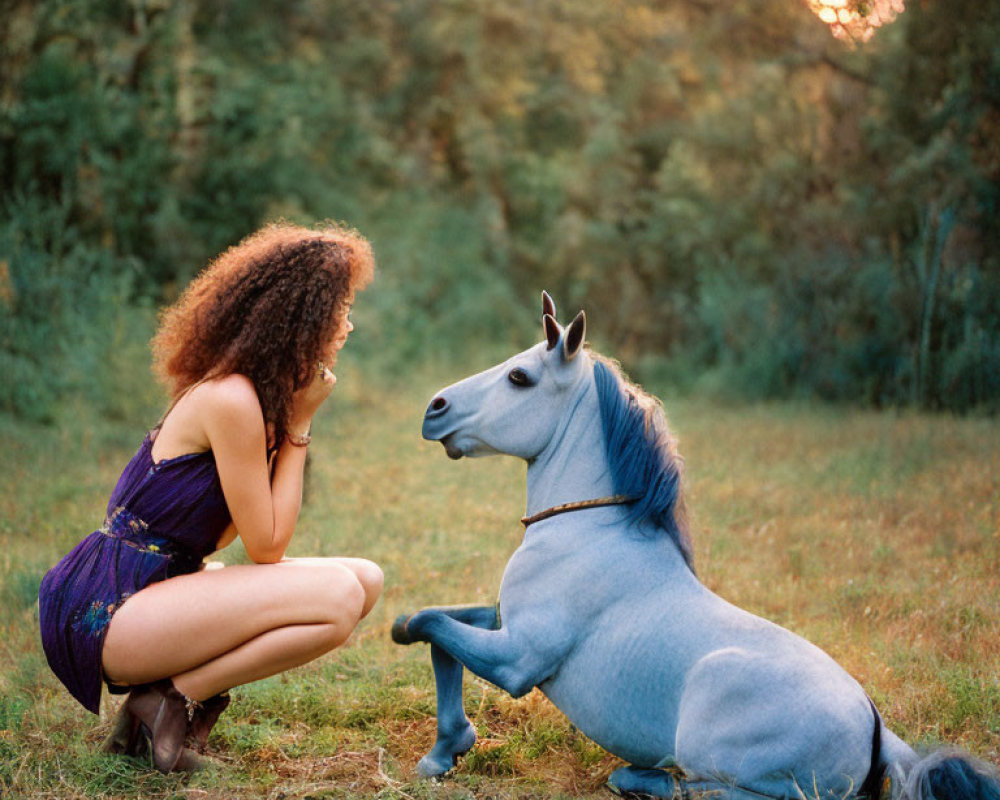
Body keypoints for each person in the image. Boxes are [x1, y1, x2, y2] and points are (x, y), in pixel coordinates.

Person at [38, 221, 383, 773]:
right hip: (106, 606)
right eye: (338, 309)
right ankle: (165, 704)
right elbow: (267, 546)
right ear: (302, 319)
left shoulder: (254, 396)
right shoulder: (232, 399)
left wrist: (288, 422)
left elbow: (237, 534)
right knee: (339, 595)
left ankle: (163, 702)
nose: (347, 323)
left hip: (157, 589)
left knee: (365, 579)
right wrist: (300, 425)